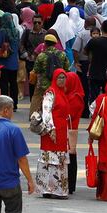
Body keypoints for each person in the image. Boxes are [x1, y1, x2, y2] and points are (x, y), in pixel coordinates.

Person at [36, 69, 72, 199]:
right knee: (48, 161)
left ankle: (58, 190)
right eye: (59, 78)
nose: (62, 80)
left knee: (59, 161)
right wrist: (51, 128)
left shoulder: (62, 93)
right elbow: (46, 111)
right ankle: (47, 189)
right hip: (52, 131)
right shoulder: (50, 93)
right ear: (55, 79)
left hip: (62, 131)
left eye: (64, 77)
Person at [30, 34, 70, 118]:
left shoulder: (41, 55)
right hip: (58, 83)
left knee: (37, 97)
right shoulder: (62, 54)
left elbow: (36, 70)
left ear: (45, 43)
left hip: (43, 84)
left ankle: (34, 116)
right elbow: (67, 69)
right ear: (55, 44)